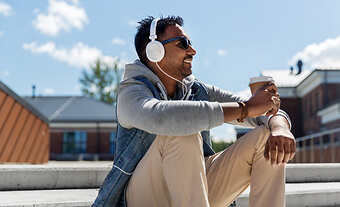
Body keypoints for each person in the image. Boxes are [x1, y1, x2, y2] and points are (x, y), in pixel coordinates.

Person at [92, 15, 296, 207]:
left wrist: (280, 127)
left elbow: (259, 112)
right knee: (181, 132)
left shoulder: (198, 90)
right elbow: (163, 117)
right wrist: (246, 108)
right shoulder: (132, 92)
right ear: (154, 51)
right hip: (143, 196)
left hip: (192, 189)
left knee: (266, 137)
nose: (192, 51)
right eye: (182, 44)